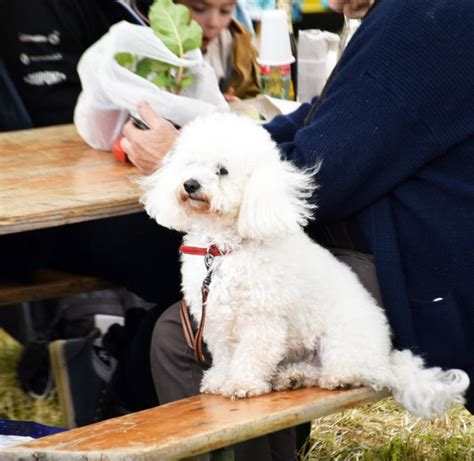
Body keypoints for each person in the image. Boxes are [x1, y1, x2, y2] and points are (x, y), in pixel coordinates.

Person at [119, 0, 473, 458]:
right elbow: (325, 114)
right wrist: (216, 143)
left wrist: (179, 157)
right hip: (434, 246)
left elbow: (318, 178)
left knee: (179, 339)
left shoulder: (424, 15)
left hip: (431, 273)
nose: (328, 5)